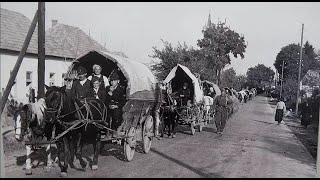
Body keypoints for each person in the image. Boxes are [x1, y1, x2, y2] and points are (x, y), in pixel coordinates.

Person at [107, 72, 126, 137]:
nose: (112, 82)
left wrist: (116, 105)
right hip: (109, 106)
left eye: (114, 80)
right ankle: (107, 130)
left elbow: (123, 101)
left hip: (118, 107)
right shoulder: (107, 88)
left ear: (118, 81)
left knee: (116, 115)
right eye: (111, 81)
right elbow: (105, 98)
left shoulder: (121, 89)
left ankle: (115, 130)